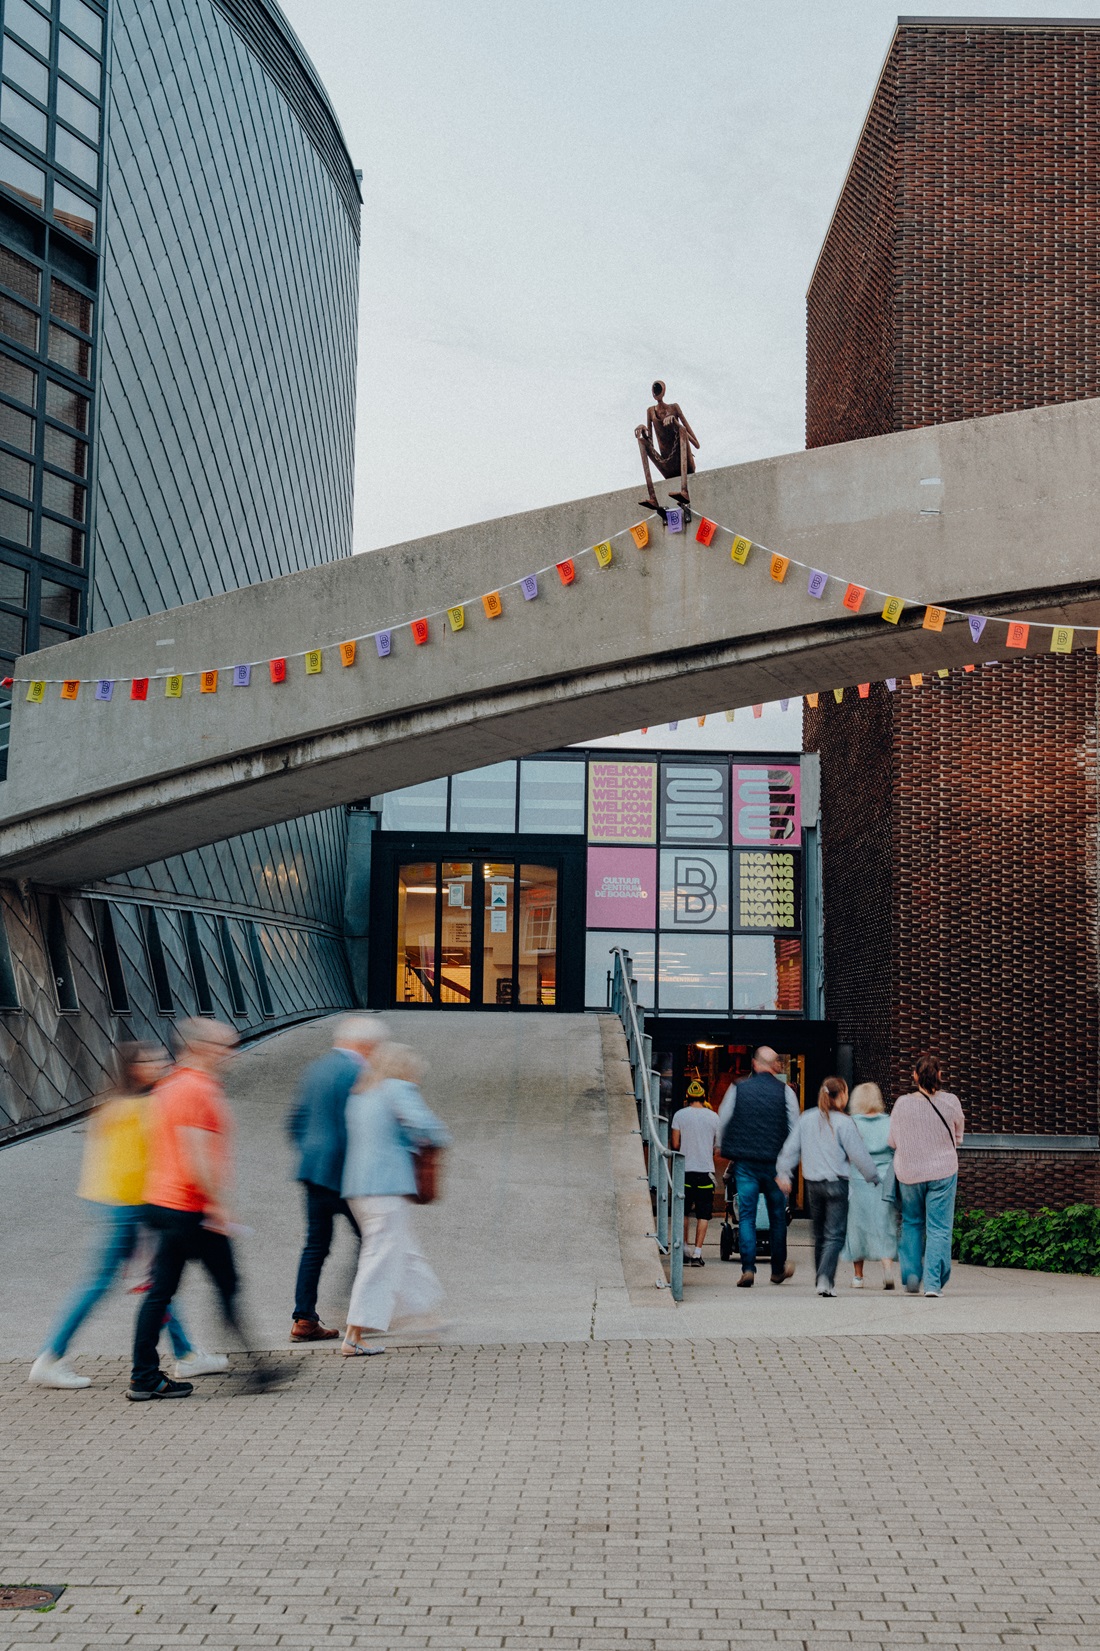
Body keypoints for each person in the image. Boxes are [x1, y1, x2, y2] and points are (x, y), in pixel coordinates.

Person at [29, 1042, 224, 1390]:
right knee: (113, 1283)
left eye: (161, 1057)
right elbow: (143, 1166)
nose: (161, 1064)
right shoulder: (144, 1107)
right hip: (130, 1208)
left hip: (115, 1203)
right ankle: (51, 1356)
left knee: (157, 1282)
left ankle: (187, 1354)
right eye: (151, 1060)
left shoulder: (116, 1103)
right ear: (133, 1068)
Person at [129, 1019, 260, 1400]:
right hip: (191, 1209)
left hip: (163, 1202)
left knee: (161, 1292)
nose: (232, 1055)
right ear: (199, 1047)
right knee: (227, 1285)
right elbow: (195, 1153)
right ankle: (259, 1370)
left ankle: (144, 1377)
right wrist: (217, 1206)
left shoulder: (168, 1085)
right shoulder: (197, 1088)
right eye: (225, 1046)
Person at [341, 1044, 451, 1356]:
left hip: (358, 1187)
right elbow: (428, 1127)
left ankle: (427, 1315)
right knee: (379, 1259)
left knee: (402, 1250)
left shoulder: (361, 1095)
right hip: (386, 1187)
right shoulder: (397, 1089)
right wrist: (432, 1140)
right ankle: (354, 1335)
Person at [287, 1014, 391, 1342]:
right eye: (376, 1046)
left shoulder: (315, 1068)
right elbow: (360, 1126)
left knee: (315, 1246)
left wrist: (311, 1152)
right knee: (373, 1240)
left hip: (314, 1171)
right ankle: (359, 1313)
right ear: (365, 1044)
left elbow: (296, 1121)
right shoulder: (359, 1073)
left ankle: (304, 1318)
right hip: (347, 1173)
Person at [777, 1076, 879, 1296]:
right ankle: (825, 1278)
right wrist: (873, 1176)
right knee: (835, 1235)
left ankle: (822, 1279)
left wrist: (784, 1173)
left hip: (813, 1185)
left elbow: (790, 1148)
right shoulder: (844, 1122)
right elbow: (858, 1154)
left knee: (820, 1235)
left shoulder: (806, 1118)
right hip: (837, 1183)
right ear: (841, 1095)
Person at [716, 1047, 799, 1287]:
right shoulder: (786, 1092)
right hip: (775, 1164)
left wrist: (720, 1145)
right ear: (775, 1066)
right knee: (777, 1217)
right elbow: (794, 1130)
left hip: (746, 1163)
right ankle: (777, 1269)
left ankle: (748, 1269)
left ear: (754, 1064)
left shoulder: (738, 1088)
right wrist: (788, 1168)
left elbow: (724, 1118)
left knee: (746, 1216)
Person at [888, 1053, 965, 1298]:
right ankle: (933, 1284)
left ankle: (912, 1274)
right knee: (939, 1227)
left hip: (909, 1172)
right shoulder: (951, 1102)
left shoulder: (902, 1104)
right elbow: (958, 1137)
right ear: (940, 1075)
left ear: (915, 1076)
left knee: (911, 1222)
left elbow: (892, 1141)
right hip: (943, 1171)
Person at [841, 1082, 899, 1289]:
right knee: (885, 1225)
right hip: (884, 1181)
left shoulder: (852, 1123)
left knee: (857, 1227)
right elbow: (895, 1151)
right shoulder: (890, 1122)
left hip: (858, 1180)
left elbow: (846, 1153)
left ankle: (858, 1277)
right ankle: (887, 1269)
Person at [670, 1078, 720, 1267]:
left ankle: (684, 1249)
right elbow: (717, 1147)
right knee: (703, 1214)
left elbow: (675, 1144)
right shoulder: (714, 1117)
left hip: (684, 1170)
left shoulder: (679, 1115)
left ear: (688, 1096)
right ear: (704, 1096)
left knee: (683, 1211)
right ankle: (697, 1254)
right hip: (705, 1171)